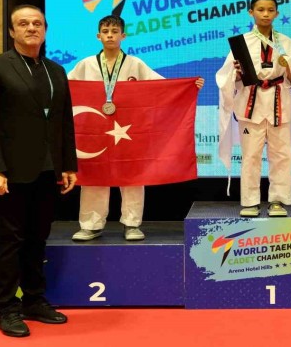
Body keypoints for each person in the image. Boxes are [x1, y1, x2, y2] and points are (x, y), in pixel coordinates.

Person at [0, 5, 77, 337]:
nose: (31, 28)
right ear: (12, 31)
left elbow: (63, 121)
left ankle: (34, 300)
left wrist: (68, 164)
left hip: (48, 171)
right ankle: (7, 308)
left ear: (45, 30)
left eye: (37, 23)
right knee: (10, 242)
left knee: (37, 239)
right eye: (23, 23)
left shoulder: (56, 70)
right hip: (10, 173)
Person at [67, 14, 204, 241]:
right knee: (93, 174)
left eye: (114, 32)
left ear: (123, 35)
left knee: (132, 174)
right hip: (95, 130)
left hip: (129, 130)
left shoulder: (135, 63)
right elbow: (67, 87)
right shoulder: (86, 64)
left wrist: (189, 86)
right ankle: (91, 224)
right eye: (105, 32)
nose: (110, 36)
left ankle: (132, 223)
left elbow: (160, 86)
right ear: (98, 36)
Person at [216, 0, 291, 217]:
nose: (265, 14)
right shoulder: (242, 43)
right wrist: (236, 73)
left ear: (277, 13)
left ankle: (278, 200)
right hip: (251, 104)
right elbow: (226, 77)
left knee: (281, 155)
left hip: (279, 103)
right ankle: (250, 202)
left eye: (270, 10)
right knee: (250, 156)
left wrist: (290, 66)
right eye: (260, 10)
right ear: (251, 12)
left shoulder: (286, 43)